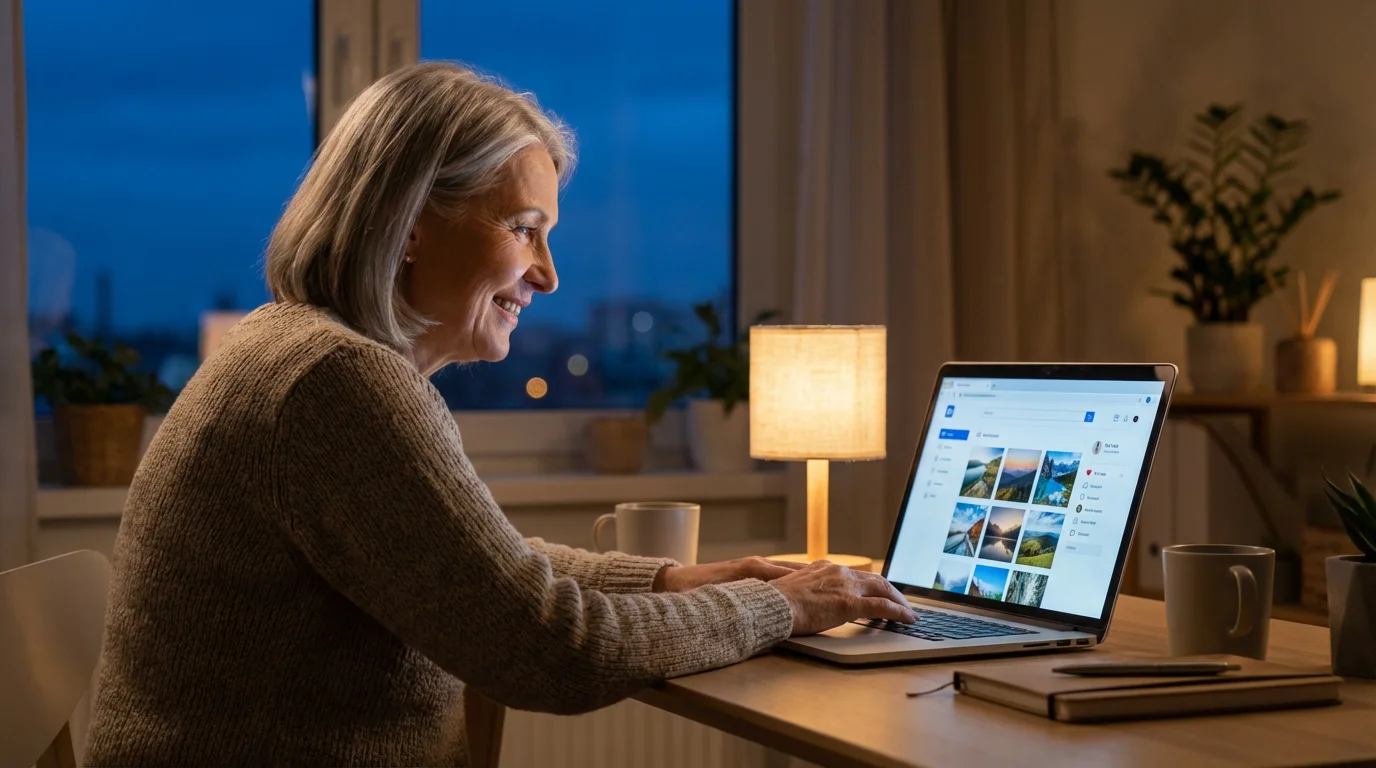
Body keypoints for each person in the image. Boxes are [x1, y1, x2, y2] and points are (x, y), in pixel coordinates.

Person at [84, 62, 916, 766]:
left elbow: (483, 572)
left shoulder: (296, 347)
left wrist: (677, 578)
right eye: (524, 229)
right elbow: (550, 649)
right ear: (410, 223)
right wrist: (786, 606)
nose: (548, 275)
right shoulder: (333, 384)